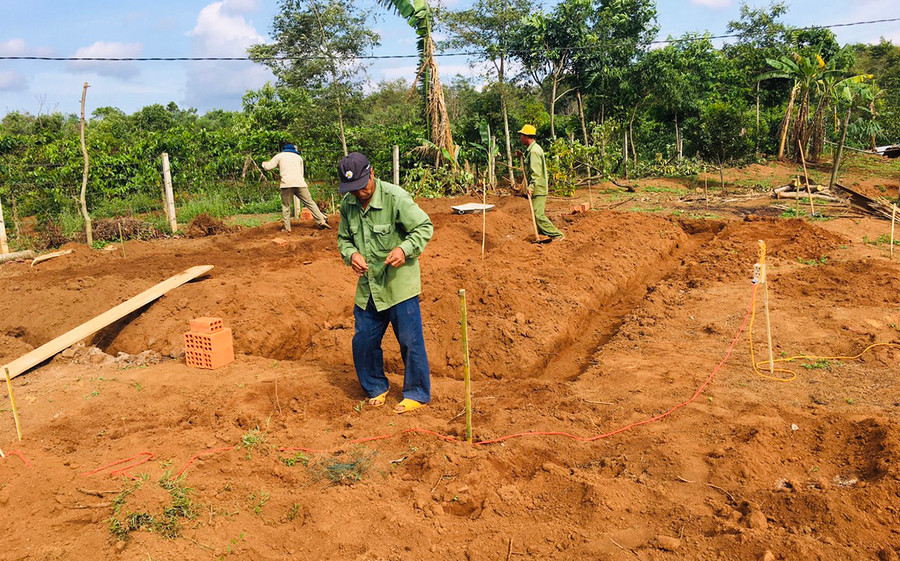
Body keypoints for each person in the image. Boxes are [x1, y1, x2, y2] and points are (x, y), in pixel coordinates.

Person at [336, 152, 434, 414]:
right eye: (352, 190)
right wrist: (351, 255)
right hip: (369, 287)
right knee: (363, 341)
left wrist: (404, 249)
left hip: (399, 285)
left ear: (372, 173)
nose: (358, 193)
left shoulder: (395, 197)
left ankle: (416, 393)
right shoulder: (348, 205)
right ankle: (376, 386)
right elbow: (343, 240)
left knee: (410, 341)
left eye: (361, 186)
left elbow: (424, 227)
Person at [262, 143, 329, 232]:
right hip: (300, 183)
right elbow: (301, 173)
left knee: (286, 206)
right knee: (310, 202)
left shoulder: (280, 156)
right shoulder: (299, 158)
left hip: (287, 184)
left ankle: (287, 228)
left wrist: (263, 164)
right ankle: (321, 220)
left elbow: (268, 166)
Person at [517, 124, 564, 242]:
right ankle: (543, 236)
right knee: (537, 214)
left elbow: (536, 172)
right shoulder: (533, 149)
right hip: (538, 186)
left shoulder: (534, 151)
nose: (520, 138)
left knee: (538, 215)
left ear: (527, 137)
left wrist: (531, 187)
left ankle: (557, 234)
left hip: (538, 187)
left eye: (521, 135)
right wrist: (522, 156)